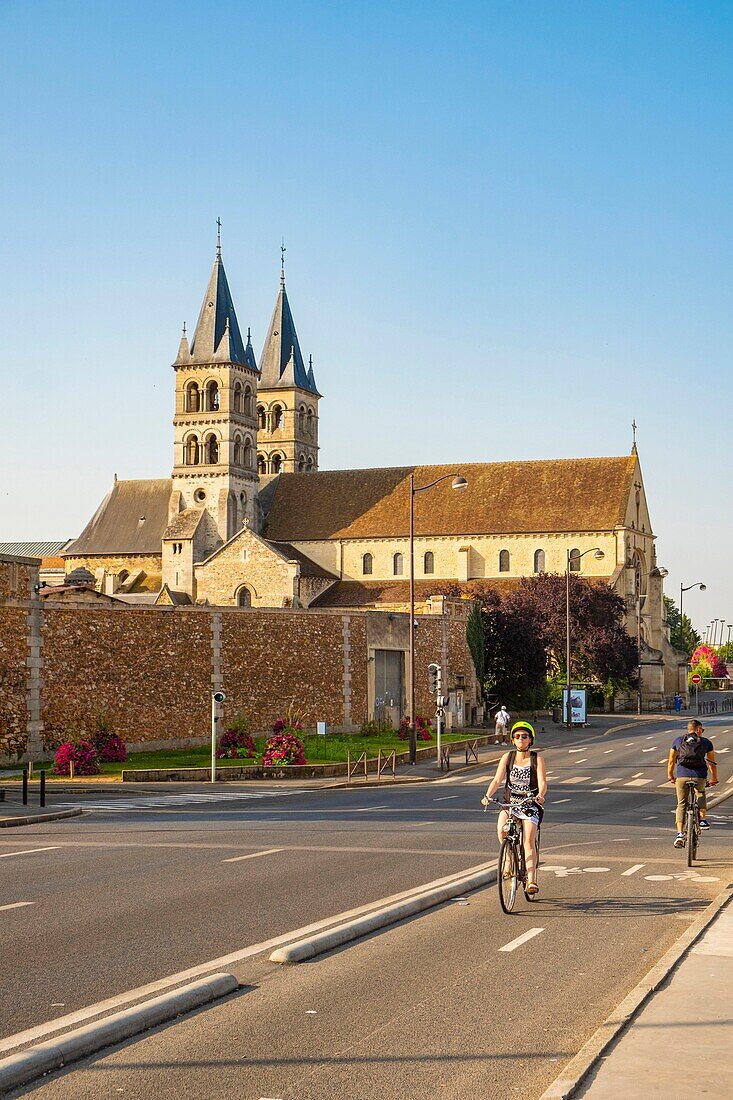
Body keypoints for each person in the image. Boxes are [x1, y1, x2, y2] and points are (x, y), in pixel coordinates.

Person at [481, 721, 547, 895]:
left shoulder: (536, 758)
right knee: (502, 831)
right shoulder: (507, 757)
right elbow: (497, 779)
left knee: (528, 841)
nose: (520, 739)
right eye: (517, 736)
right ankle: (509, 860)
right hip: (510, 802)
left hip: (529, 804)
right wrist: (487, 795)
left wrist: (540, 795)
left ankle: (531, 880)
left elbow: (542, 781)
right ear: (512, 740)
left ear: (530, 740)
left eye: (524, 736)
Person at [668, 719, 718, 847]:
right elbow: (712, 764)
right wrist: (714, 778)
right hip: (699, 776)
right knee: (700, 793)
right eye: (702, 730)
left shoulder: (678, 741)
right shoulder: (706, 742)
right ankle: (702, 820)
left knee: (681, 804)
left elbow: (671, 761)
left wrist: (671, 776)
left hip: (682, 776)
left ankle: (679, 834)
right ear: (698, 730)